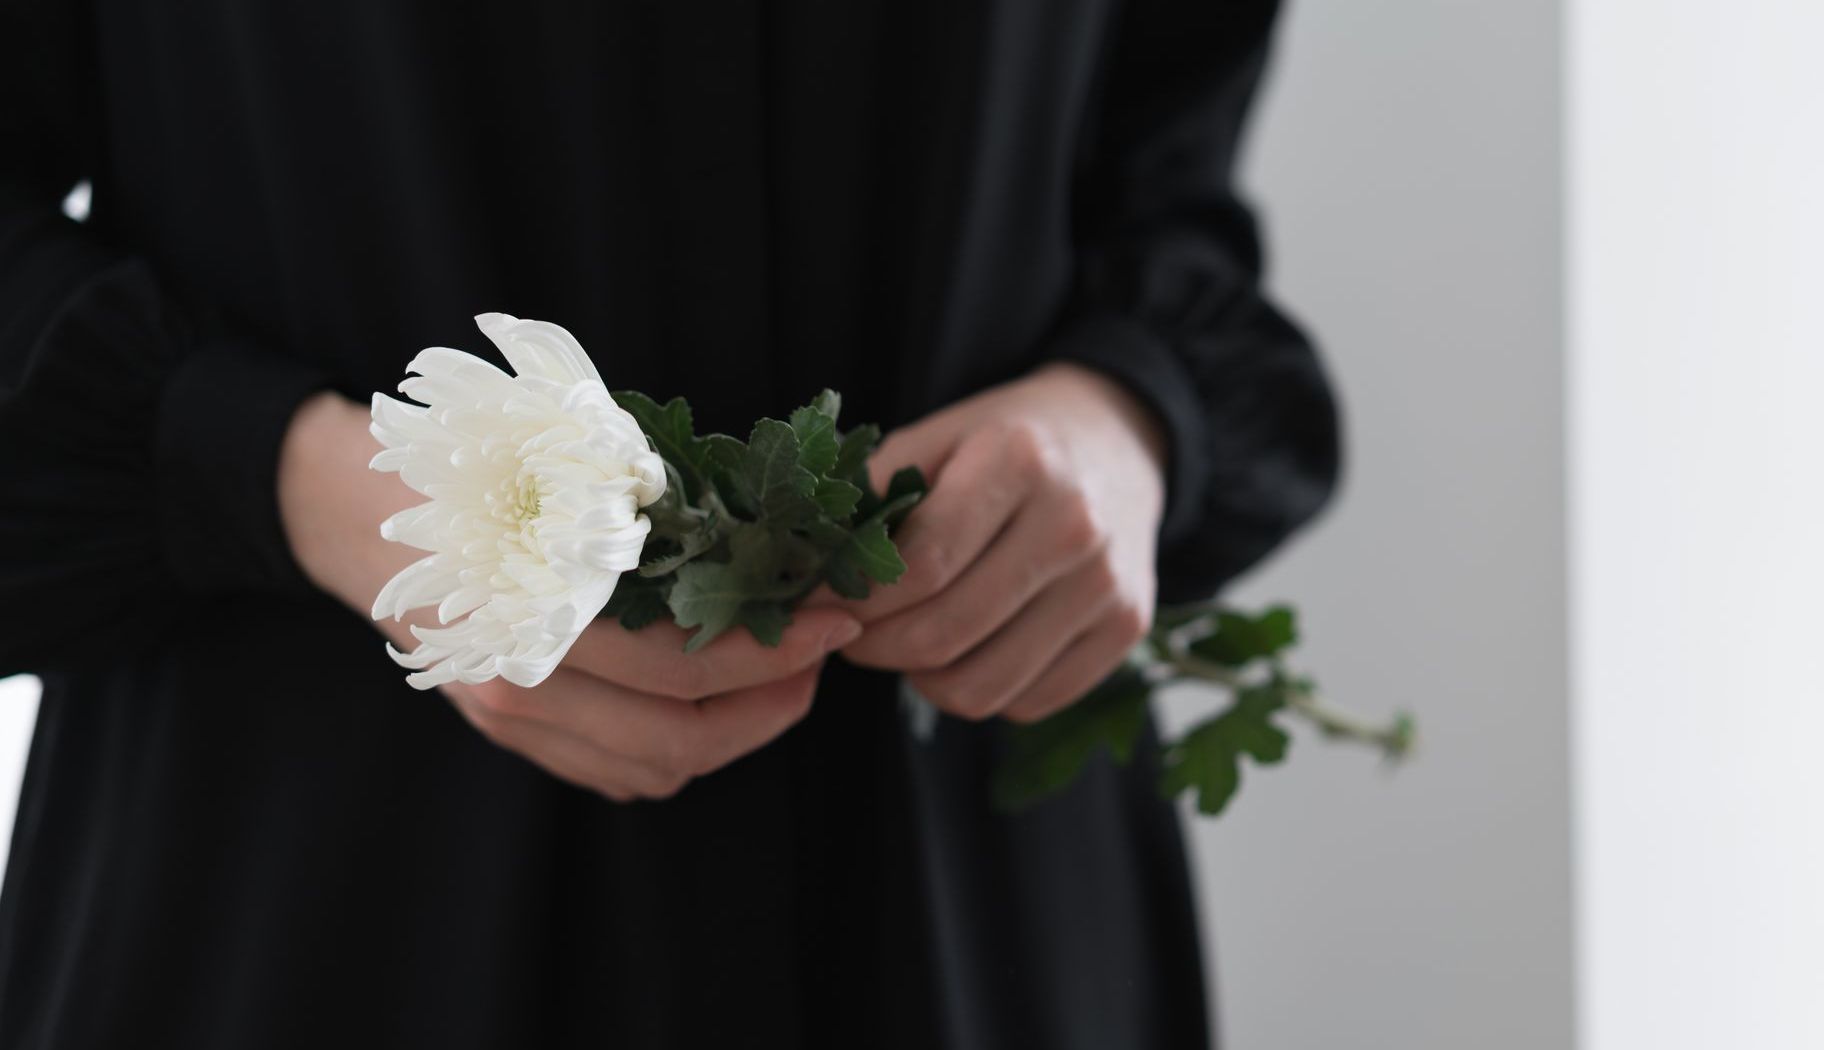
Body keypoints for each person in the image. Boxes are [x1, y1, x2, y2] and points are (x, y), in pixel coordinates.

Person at [0, 2, 1338, 1046]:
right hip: (303, 888)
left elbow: (1167, 182)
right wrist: (304, 478)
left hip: (966, 879)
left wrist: (1122, 417)